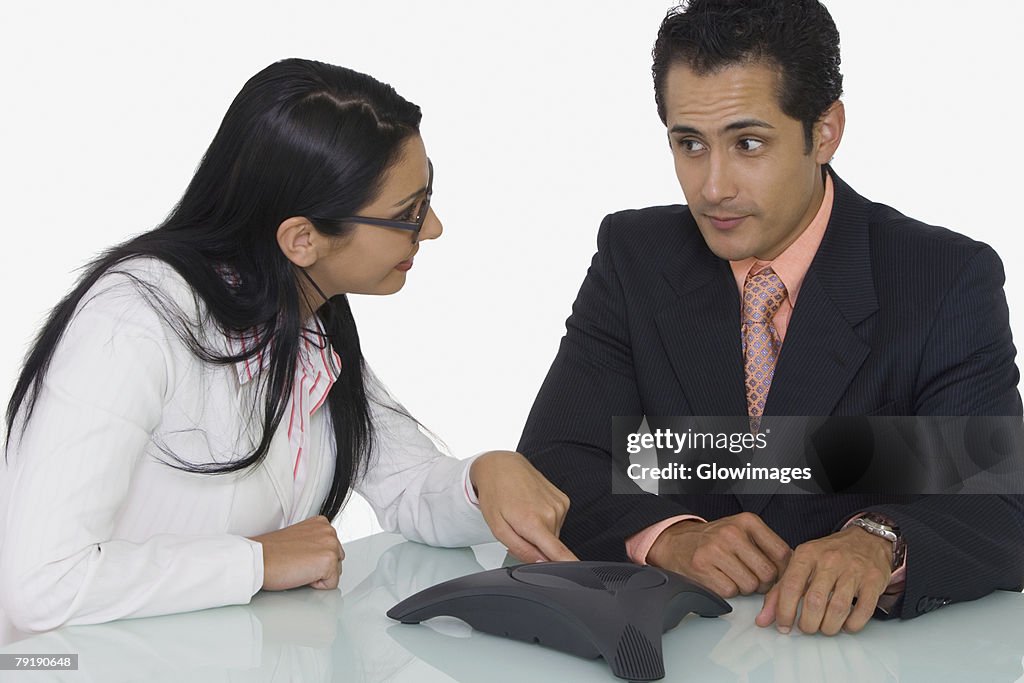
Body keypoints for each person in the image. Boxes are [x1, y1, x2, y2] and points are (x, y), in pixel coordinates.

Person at [0, 58, 575, 633]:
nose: (433, 229)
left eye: (427, 198)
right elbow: (40, 584)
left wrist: (485, 477)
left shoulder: (304, 316)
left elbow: (406, 486)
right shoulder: (131, 321)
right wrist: (256, 560)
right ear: (303, 239)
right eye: (409, 213)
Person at [518, 0, 1024, 636]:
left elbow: (1003, 501)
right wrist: (671, 537)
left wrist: (880, 539)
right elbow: (554, 458)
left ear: (825, 132)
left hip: (870, 656)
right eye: (689, 144)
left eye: (748, 143)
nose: (712, 187)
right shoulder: (635, 257)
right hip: (690, 644)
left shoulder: (944, 277)